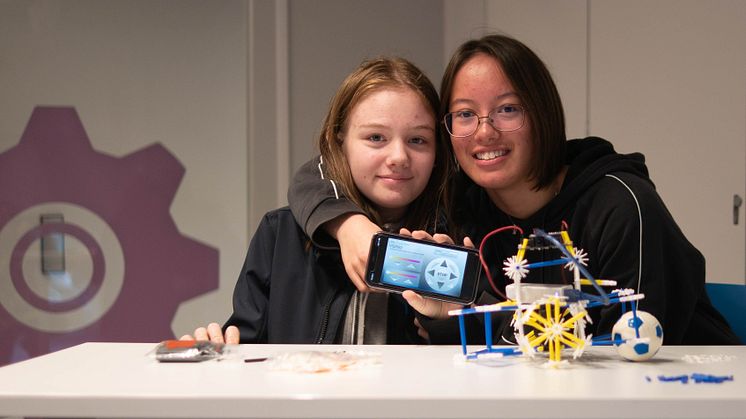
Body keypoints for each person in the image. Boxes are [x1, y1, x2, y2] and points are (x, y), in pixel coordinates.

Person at [287, 34, 740, 345]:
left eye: (507, 109)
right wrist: (349, 225)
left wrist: (472, 321)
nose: (484, 132)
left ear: (542, 114)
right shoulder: (459, 203)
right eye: (464, 114)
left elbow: (621, 347)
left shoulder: (620, 205)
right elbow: (319, 170)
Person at [181, 56, 454, 344]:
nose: (399, 157)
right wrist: (221, 351)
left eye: (418, 140)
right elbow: (248, 345)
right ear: (340, 142)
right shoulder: (279, 234)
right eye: (376, 137)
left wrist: (445, 323)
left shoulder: (453, 240)